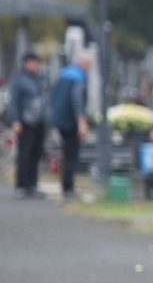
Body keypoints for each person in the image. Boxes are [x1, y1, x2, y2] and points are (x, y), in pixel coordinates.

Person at [50, 51, 91, 200]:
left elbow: (53, 96)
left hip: (60, 121)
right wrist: (82, 121)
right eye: (88, 64)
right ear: (82, 63)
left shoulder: (63, 75)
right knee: (71, 155)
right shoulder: (78, 77)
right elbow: (77, 100)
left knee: (66, 153)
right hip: (72, 122)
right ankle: (68, 188)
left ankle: (66, 186)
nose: (89, 68)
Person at [7, 53, 47, 199]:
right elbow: (13, 101)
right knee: (24, 154)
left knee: (36, 153)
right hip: (25, 122)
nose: (35, 65)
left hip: (39, 121)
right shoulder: (18, 79)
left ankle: (32, 185)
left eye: (37, 63)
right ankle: (21, 185)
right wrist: (15, 120)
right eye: (33, 62)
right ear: (26, 63)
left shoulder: (40, 79)